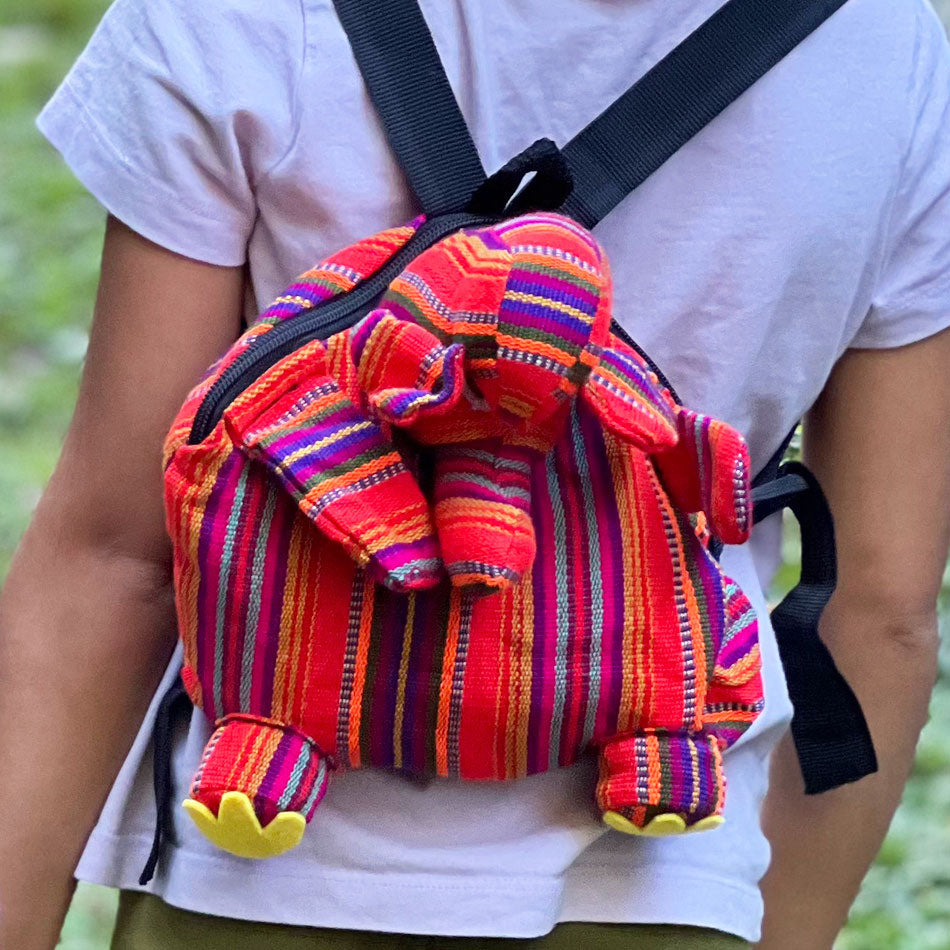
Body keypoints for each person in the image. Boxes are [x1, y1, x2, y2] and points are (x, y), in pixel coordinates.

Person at [2, 0, 950, 947]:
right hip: (667, 874)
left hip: (252, 861)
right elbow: (880, 614)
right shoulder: (886, 47)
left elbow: (114, 557)